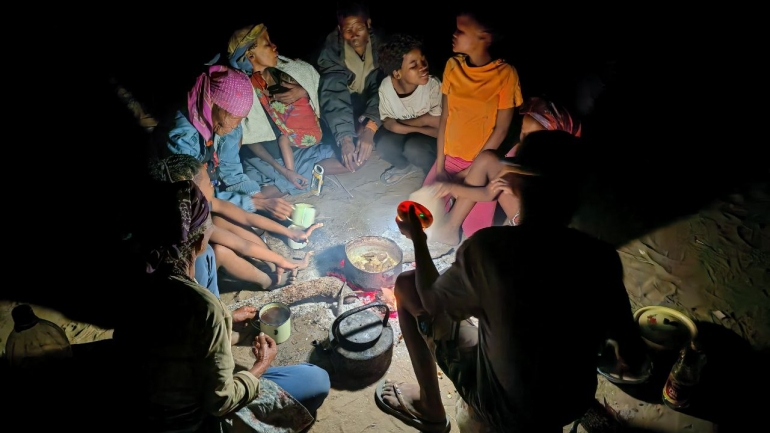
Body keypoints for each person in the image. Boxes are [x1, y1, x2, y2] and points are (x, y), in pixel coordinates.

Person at [375, 130, 650, 432]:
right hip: (571, 403)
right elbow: (632, 356)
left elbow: (430, 299)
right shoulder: (601, 258)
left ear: (515, 184)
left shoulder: (490, 249)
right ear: (578, 195)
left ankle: (431, 408)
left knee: (407, 285)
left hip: (501, 406)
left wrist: (418, 238)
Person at [118, 179, 330, 433]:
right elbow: (220, 402)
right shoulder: (203, 306)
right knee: (316, 380)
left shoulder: (138, 281)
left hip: (144, 394)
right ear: (199, 241)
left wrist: (227, 317)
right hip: (188, 421)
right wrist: (261, 364)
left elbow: (175, 337)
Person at [423, 7, 524, 245]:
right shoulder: (452, 66)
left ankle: (459, 210)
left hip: (478, 163)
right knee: (421, 213)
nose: (454, 34)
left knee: (474, 232)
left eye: (461, 30)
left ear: (484, 37)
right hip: (449, 157)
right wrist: (440, 166)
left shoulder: (505, 74)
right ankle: (452, 204)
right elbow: (445, 118)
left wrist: (467, 173)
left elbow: (501, 130)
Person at [148, 154, 321, 293]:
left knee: (221, 220)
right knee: (219, 252)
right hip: (183, 283)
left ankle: (273, 266)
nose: (213, 184)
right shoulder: (191, 225)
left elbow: (245, 217)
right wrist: (280, 259)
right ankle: (268, 281)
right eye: (209, 182)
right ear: (194, 191)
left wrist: (290, 234)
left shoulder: (197, 203)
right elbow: (242, 245)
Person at [217, 24, 350, 196]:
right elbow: (251, 141)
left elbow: (321, 92)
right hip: (271, 158)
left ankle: (303, 172)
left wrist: (304, 92)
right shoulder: (241, 93)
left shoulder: (285, 72)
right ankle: (286, 179)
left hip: (301, 147)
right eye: (267, 44)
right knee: (284, 186)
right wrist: (286, 171)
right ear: (250, 56)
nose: (274, 46)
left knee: (351, 160)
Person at [429, 96, 582, 243]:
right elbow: (487, 189)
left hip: (535, 229)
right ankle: (449, 229)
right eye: (523, 131)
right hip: (523, 213)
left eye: (531, 136)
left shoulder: (551, 169)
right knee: (487, 159)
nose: (523, 139)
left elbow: (487, 193)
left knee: (491, 164)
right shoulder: (521, 154)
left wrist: (452, 187)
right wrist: (454, 184)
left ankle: (451, 229)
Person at [152, 64, 294, 221]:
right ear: (211, 103)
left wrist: (258, 197)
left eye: (241, 119)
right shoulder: (183, 137)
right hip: (181, 204)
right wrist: (254, 203)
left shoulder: (228, 126)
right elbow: (195, 196)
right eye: (233, 117)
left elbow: (231, 170)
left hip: (211, 188)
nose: (234, 126)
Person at [315, 1, 386, 172]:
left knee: (379, 137)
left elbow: (385, 88)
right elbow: (334, 93)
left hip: (373, 105)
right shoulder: (332, 50)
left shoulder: (382, 46)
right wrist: (345, 139)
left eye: (359, 28)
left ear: (368, 23)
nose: (354, 35)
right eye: (348, 30)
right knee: (347, 151)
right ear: (340, 29)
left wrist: (370, 128)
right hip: (346, 107)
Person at [375, 33, 440, 185]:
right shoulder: (386, 87)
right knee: (384, 144)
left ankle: (433, 174)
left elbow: (439, 129)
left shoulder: (433, 85)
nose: (423, 66)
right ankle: (404, 167)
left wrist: (401, 126)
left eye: (423, 60)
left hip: (431, 138)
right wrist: (424, 121)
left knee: (414, 148)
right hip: (419, 131)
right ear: (397, 73)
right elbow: (388, 122)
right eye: (413, 65)